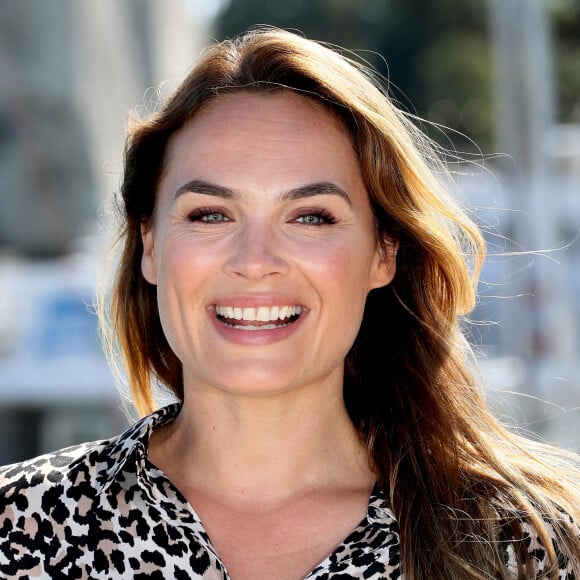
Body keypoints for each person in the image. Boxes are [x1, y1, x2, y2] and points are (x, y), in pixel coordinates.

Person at [1, 26, 579, 579]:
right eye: (210, 214)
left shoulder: (527, 548)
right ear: (150, 246)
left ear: (384, 252)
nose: (255, 260)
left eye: (310, 217)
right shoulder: (17, 528)